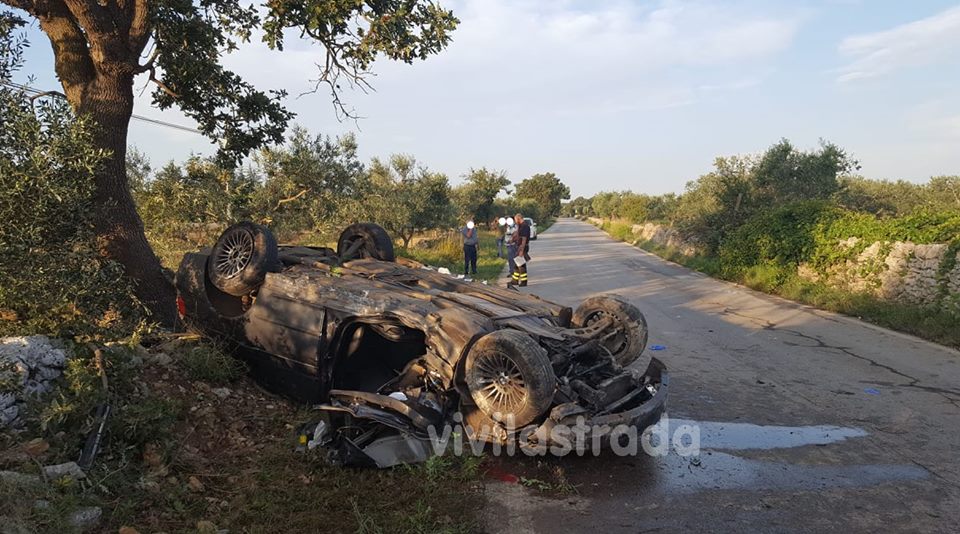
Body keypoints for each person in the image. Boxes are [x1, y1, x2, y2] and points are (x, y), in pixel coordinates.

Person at [508, 213, 531, 287]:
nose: (515, 222)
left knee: (521, 265)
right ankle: (515, 280)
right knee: (517, 264)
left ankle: (524, 281)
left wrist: (521, 250)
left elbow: (524, 239)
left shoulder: (524, 227)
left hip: (522, 247)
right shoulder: (521, 226)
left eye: (515, 220)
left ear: (518, 218)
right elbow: (518, 235)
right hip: (520, 246)